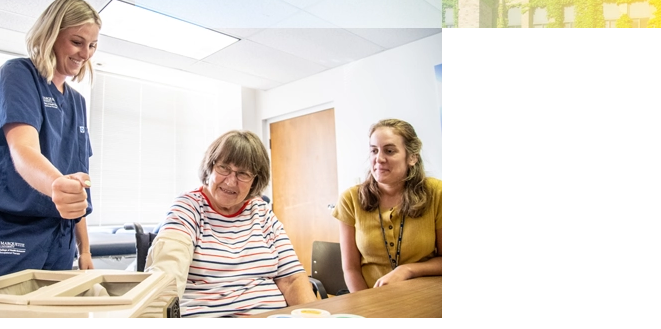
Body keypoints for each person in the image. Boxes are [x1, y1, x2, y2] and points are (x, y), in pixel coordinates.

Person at [0, 0, 100, 284]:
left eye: (92, 45)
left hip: (59, 238)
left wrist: (85, 249)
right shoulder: (18, 74)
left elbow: (77, 187)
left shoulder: (78, 103)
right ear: (50, 36)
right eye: (77, 42)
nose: (86, 53)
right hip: (7, 231)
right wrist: (57, 185)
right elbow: (23, 149)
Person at [145, 130, 315, 317]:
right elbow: (168, 273)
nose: (231, 181)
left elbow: (292, 279)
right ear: (210, 167)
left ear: (255, 180)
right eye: (224, 168)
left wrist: (315, 320)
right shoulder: (188, 207)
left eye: (243, 174)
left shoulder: (262, 211)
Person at [333, 118, 443, 291]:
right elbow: (351, 269)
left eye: (389, 151)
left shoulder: (437, 192)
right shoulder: (350, 199)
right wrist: (368, 306)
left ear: (412, 157)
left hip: (424, 297)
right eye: (374, 151)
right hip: (370, 299)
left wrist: (408, 270)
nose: (379, 159)